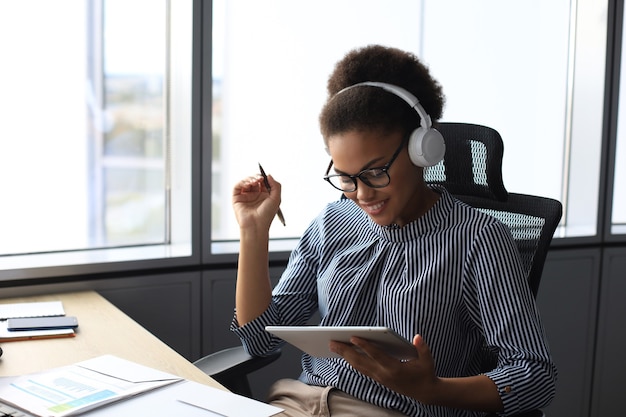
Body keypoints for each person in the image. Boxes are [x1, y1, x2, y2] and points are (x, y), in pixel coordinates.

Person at [230, 44, 556, 417]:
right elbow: (258, 340)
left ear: (423, 149)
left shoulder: (477, 239)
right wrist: (253, 233)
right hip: (297, 403)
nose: (363, 194)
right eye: (346, 178)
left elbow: (535, 375)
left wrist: (434, 391)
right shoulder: (330, 224)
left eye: (375, 172)